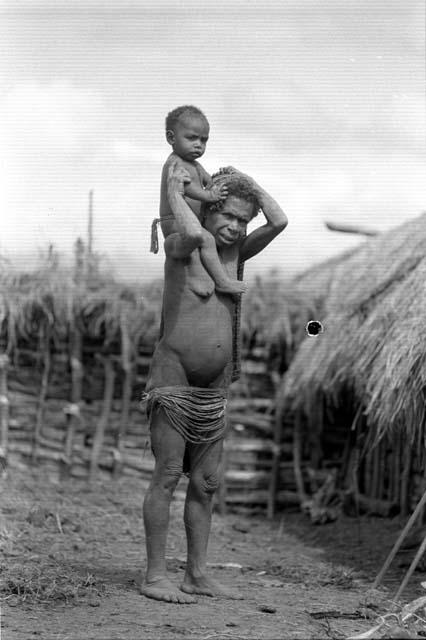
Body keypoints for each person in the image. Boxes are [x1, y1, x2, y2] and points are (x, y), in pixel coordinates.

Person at [141, 162, 288, 604]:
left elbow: (279, 220)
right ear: (207, 211)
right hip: (174, 380)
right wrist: (187, 195)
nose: (236, 226)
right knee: (167, 475)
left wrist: (248, 185)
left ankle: (197, 573)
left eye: (243, 219)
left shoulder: (235, 257)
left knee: (205, 483)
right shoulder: (182, 247)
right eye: (228, 215)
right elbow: (187, 230)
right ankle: (153, 576)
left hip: (213, 389)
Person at [156, 105, 247, 296]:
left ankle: (203, 276)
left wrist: (225, 178)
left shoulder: (194, 164)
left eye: (203, 140)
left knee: (204, 241)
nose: (198, 144)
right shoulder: (174, 163)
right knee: (204, 239)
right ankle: (221, 281)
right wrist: (209, 196)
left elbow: (208, 180)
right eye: (191, 138)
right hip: (174, 222)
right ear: (171, 138)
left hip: (191, 223)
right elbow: (188, 188)